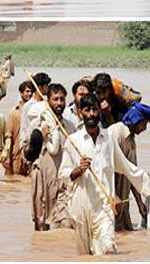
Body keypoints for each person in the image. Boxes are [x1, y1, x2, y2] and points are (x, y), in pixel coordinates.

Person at [58, 94, 150, 256]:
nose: (92, 114)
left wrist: (147, 187)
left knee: (108, 249)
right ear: (80, 113)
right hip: (81, 207)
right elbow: (63, 175)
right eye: (87, 110)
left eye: (94, 109)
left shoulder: (108, 138)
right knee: (85, 254)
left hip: (105, 207)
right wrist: (78, 170)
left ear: (99, 111)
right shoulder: (73, 141)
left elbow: (127, 167)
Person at [30, 83, 76, 231]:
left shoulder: (70, 127)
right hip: (44, 182)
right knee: (42, 226)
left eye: (62, 99)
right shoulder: (38, 124)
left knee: (65, 224)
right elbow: (27, 153)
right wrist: (39, 137)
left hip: (63, 185)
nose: (59, 103)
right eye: (55, 99)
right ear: (48, 101)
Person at [110, 103, 150, 231]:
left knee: (125, 237)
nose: (145, 128)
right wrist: (113, 195)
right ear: (137, 120)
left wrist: (139, 203)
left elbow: (133, 174)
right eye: (144, 123)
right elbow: (106, 168)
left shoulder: (131, 140)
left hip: (124, 202)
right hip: (112, 201)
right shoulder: (115, 133)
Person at [5, 81, 35, 175]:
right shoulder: (14, 113)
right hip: (16, 156)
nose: (29, 94)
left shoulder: (36, 111)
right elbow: (8, 136)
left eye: (31, 91)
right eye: (27, 91)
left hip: (31, 155)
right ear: (21, 93)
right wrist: (7, 157)